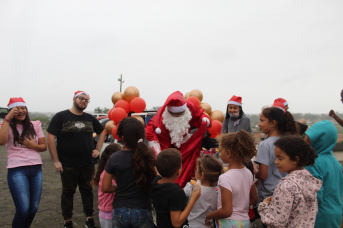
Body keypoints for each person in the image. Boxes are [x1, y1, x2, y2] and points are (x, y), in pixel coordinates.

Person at [47, 91, 106, 228]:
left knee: (87, 191)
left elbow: (103, 131)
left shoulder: (90, 118)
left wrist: (97, 149)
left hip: (87, 163)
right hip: (67, 164)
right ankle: (67, 220)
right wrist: (56, 161)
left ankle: (89, 218)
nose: (83, 102)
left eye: (86, 100)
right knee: (68, 192)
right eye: (81, 98)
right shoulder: (61, 116)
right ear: (74, 98)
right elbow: (50, 137)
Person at [146, 91, 211, 187]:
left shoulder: (189, 106)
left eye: (180, 114)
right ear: (169, 112)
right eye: (174, 115)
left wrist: (204, 119)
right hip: (166, 146)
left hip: (186, 143)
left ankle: (186, 188)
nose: (177, 117)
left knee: (189, 166)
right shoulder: (160, 118)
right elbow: (150, 132)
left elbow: (199, 114)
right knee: (169, 168)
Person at [0, 97, 47, 228]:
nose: (21, 111)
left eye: (23, 108)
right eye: (16, 109)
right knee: (23, 210)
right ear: (10, 111)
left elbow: (43, 147)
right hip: (17, 170)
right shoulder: (5, 125)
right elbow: (2, 141)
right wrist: (7, 118)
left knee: (33, 208)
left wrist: (32, 145)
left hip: (36, 169)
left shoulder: (35, 125)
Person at [102, 117, 156, 228]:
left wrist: (122, 187)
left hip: (120, 209)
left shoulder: (114, 158)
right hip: (142, 208)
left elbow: (105, 187)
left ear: (121, 137)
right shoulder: (148, 154)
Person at [258, 136, 322, 227]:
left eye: (280, 158)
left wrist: (263, 206)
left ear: (295, 159)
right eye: (276, 158)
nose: (276, 162)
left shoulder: (287, 186)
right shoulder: (308, 179)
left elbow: (275, 221)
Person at [253, 106, 298, 228]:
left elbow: (263, 174)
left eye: (262, 120)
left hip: (269, 196)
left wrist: (254, 169)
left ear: (273, 123)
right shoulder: (288, 141)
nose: (259, 124)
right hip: (286, 193)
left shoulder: (265, 144)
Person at [205, 130, 258, 228]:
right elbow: (254, 199)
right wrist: (240, 207)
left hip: (229, 223)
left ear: (228, 153)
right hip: (245, 221)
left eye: (220, 151)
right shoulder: (248, 173)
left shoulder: (225, 177)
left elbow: (226, 211)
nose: (219, 154)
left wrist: (209, 215)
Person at [304, 120, 343, 228]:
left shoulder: (313, 163)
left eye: (309, 138)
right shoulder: (335, 162)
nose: (305, 140)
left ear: (319, 140)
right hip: (335, 213)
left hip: (319, 216)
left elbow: (315, 196)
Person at [151, 148, 201, 228]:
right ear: (178, 171)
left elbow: (158, 174)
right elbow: (176, 223)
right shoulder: (175, 192)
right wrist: (193, 199)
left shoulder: (155, 183)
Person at [183, 155, 222, 228]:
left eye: (197, 169)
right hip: (209, 225)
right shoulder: (218, 190)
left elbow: (181, 193)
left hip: (192, 225)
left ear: (202, 175)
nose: (195, 171)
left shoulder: (191, 187)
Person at [92, 143, 122, 228]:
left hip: (109, 212)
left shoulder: (107, 170)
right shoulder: (107, 174)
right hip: (108, 213)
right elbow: (111, 187)